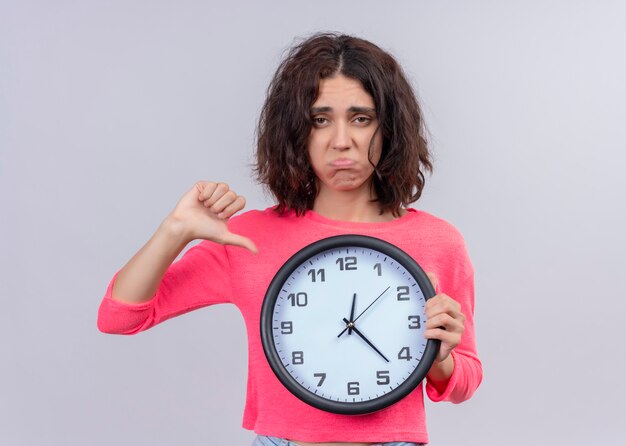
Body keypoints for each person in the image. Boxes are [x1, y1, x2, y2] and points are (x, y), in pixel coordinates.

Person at [97, 33, 482, 446]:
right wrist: (176, 230)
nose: (341, 141)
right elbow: (120, 317)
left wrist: (439, 359)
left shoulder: (437, 241)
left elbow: (465, 380)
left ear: (389, 128)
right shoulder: (250, 237)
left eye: (360, 118)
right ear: (295, 131)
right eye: (320, 120)